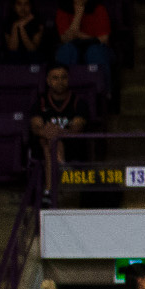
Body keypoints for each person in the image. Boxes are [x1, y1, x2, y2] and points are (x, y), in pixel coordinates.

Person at [28, 63, 93, 198]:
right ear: (48, 80)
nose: (60, 81)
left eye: (63, 77)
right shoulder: (40, 103)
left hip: (72, 148)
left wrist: (56, 132)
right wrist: (52, 133)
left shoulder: (78, 103)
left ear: (68, 79)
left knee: (51, 140)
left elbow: (77, 129)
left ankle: (49, 191)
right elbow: (36, 127)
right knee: (47, 140)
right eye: (55, 78)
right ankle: (61, 171)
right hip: (42, 149)